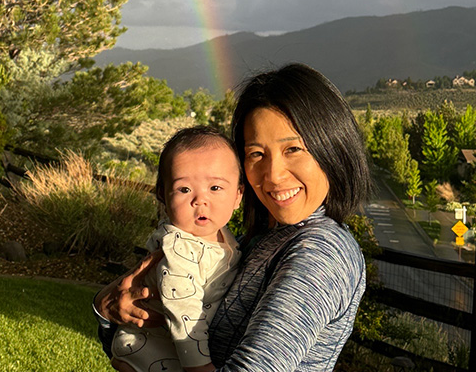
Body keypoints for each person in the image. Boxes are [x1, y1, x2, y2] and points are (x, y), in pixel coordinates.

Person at [94, 63, 371, 371]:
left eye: (293, 149)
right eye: (256, 154)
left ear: (332, 148)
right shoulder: (250, 244)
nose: (273, 175)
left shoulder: (321, 252)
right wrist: (110, 310)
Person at [108, 126, 244, 372]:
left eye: (215, 188)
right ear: (163, 194)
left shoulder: (224, 237)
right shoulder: (179, 250)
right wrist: (200, 368)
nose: (200, 200)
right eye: (184, 189)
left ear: (237, 195)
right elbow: (184, 313)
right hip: (151, 348)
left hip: (172, 347)